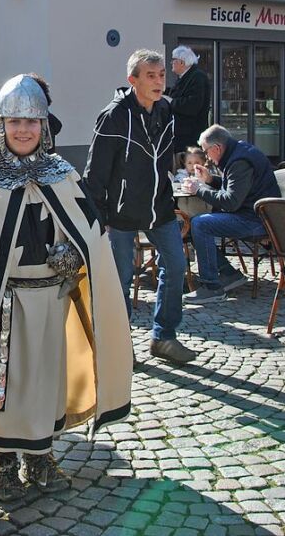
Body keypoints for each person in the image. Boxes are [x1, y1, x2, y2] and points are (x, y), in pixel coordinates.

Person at [0, 75, 133, 501]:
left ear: (45, 127)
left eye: (32, 122)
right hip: (2, 305)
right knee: (5, 384)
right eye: (15, 122)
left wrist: (74, 256)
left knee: (45, 381)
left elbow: (89, 231)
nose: (23, 130)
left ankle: (38, 454)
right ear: (0, 126)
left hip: (49, 298)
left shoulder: (62, 176)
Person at [84, 49, 196, 364]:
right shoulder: (114, 115)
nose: (159, 81)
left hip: (158, 208)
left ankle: (164, 337)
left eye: (162, 75)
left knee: (175, 265)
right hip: (118, 212)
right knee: (120, 279)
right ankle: (119, 345)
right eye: (151, 76)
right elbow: (94, 173)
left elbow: (164, 160)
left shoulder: (166, 111)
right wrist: (99, 218)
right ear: (133, 80)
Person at [183, 124, 281, 304]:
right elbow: (236, 189)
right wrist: (211, 180)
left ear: (217, 148)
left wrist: (198, 189)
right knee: (193, 224)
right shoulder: (239, 152)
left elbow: (231, 201)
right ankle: (228, 273)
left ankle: (211, 288)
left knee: (199, 224)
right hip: (257, 214)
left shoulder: (239, 162)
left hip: (257, 220)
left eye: (206, 152)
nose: (207, 158)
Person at [168, 45, 211, 159]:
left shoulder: (197, 77)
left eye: (173, 60)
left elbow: (193, 105)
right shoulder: (185, 76)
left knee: (188, 168)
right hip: (182, 134)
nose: (171, 63)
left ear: (182, 62)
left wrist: (171, 102)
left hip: (190, 135)